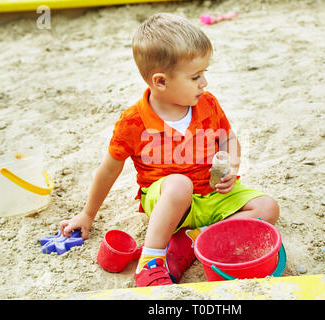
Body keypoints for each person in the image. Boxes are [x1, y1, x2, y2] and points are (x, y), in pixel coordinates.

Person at [59, 13, 279, 287]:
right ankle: (151, 261)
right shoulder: (133, 122)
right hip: (169, 204)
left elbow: (228, 139)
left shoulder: (207, 104)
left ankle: (197, 237)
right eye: (195, 77)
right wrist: (87, 214)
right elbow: (108, 170)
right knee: (179, 184)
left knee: (268, 208)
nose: (204, 83)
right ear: (161, 81)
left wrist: (232, 165)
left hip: (212, 195)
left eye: (204, 74)